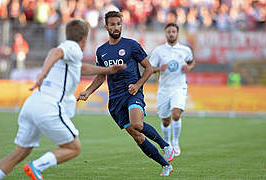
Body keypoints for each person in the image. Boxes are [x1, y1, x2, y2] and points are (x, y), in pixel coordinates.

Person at [0, 19, 126, 180]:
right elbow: (55, 52)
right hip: (49, 106)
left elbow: (80, 68)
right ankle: (37, 166)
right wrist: (42, 74)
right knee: (73, 148)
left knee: (19, 152)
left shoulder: (71, 55)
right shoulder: (72, 47)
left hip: (31, 105)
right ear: (84, 39)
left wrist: (108, 70)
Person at [77, 11, 175, 176]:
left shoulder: (131, 45)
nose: (116, 27)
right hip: (115, 100)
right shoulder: (101, 51)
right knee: (137, 136)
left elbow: (149, 68)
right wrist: (88, 91)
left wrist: (137, 85)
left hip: (132, 93)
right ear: (106, 26)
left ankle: (166, 146)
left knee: (137, 123)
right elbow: (101, 75)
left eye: (118, 24)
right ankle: (165, 165)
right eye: (113, 24)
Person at [149, 23, 195, 157]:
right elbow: (150, 69)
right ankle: (167, 143)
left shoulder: (185, 50)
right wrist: (159, 69)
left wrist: (189, 68)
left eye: (173, 31)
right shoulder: (159, 51)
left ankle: (175, 142)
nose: (171, 34)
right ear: (165, 34)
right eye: (169, 32)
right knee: (165, 120)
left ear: (177, 33)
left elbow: (191, 62)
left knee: (176, 114)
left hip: (179, 87)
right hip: (164, 89)